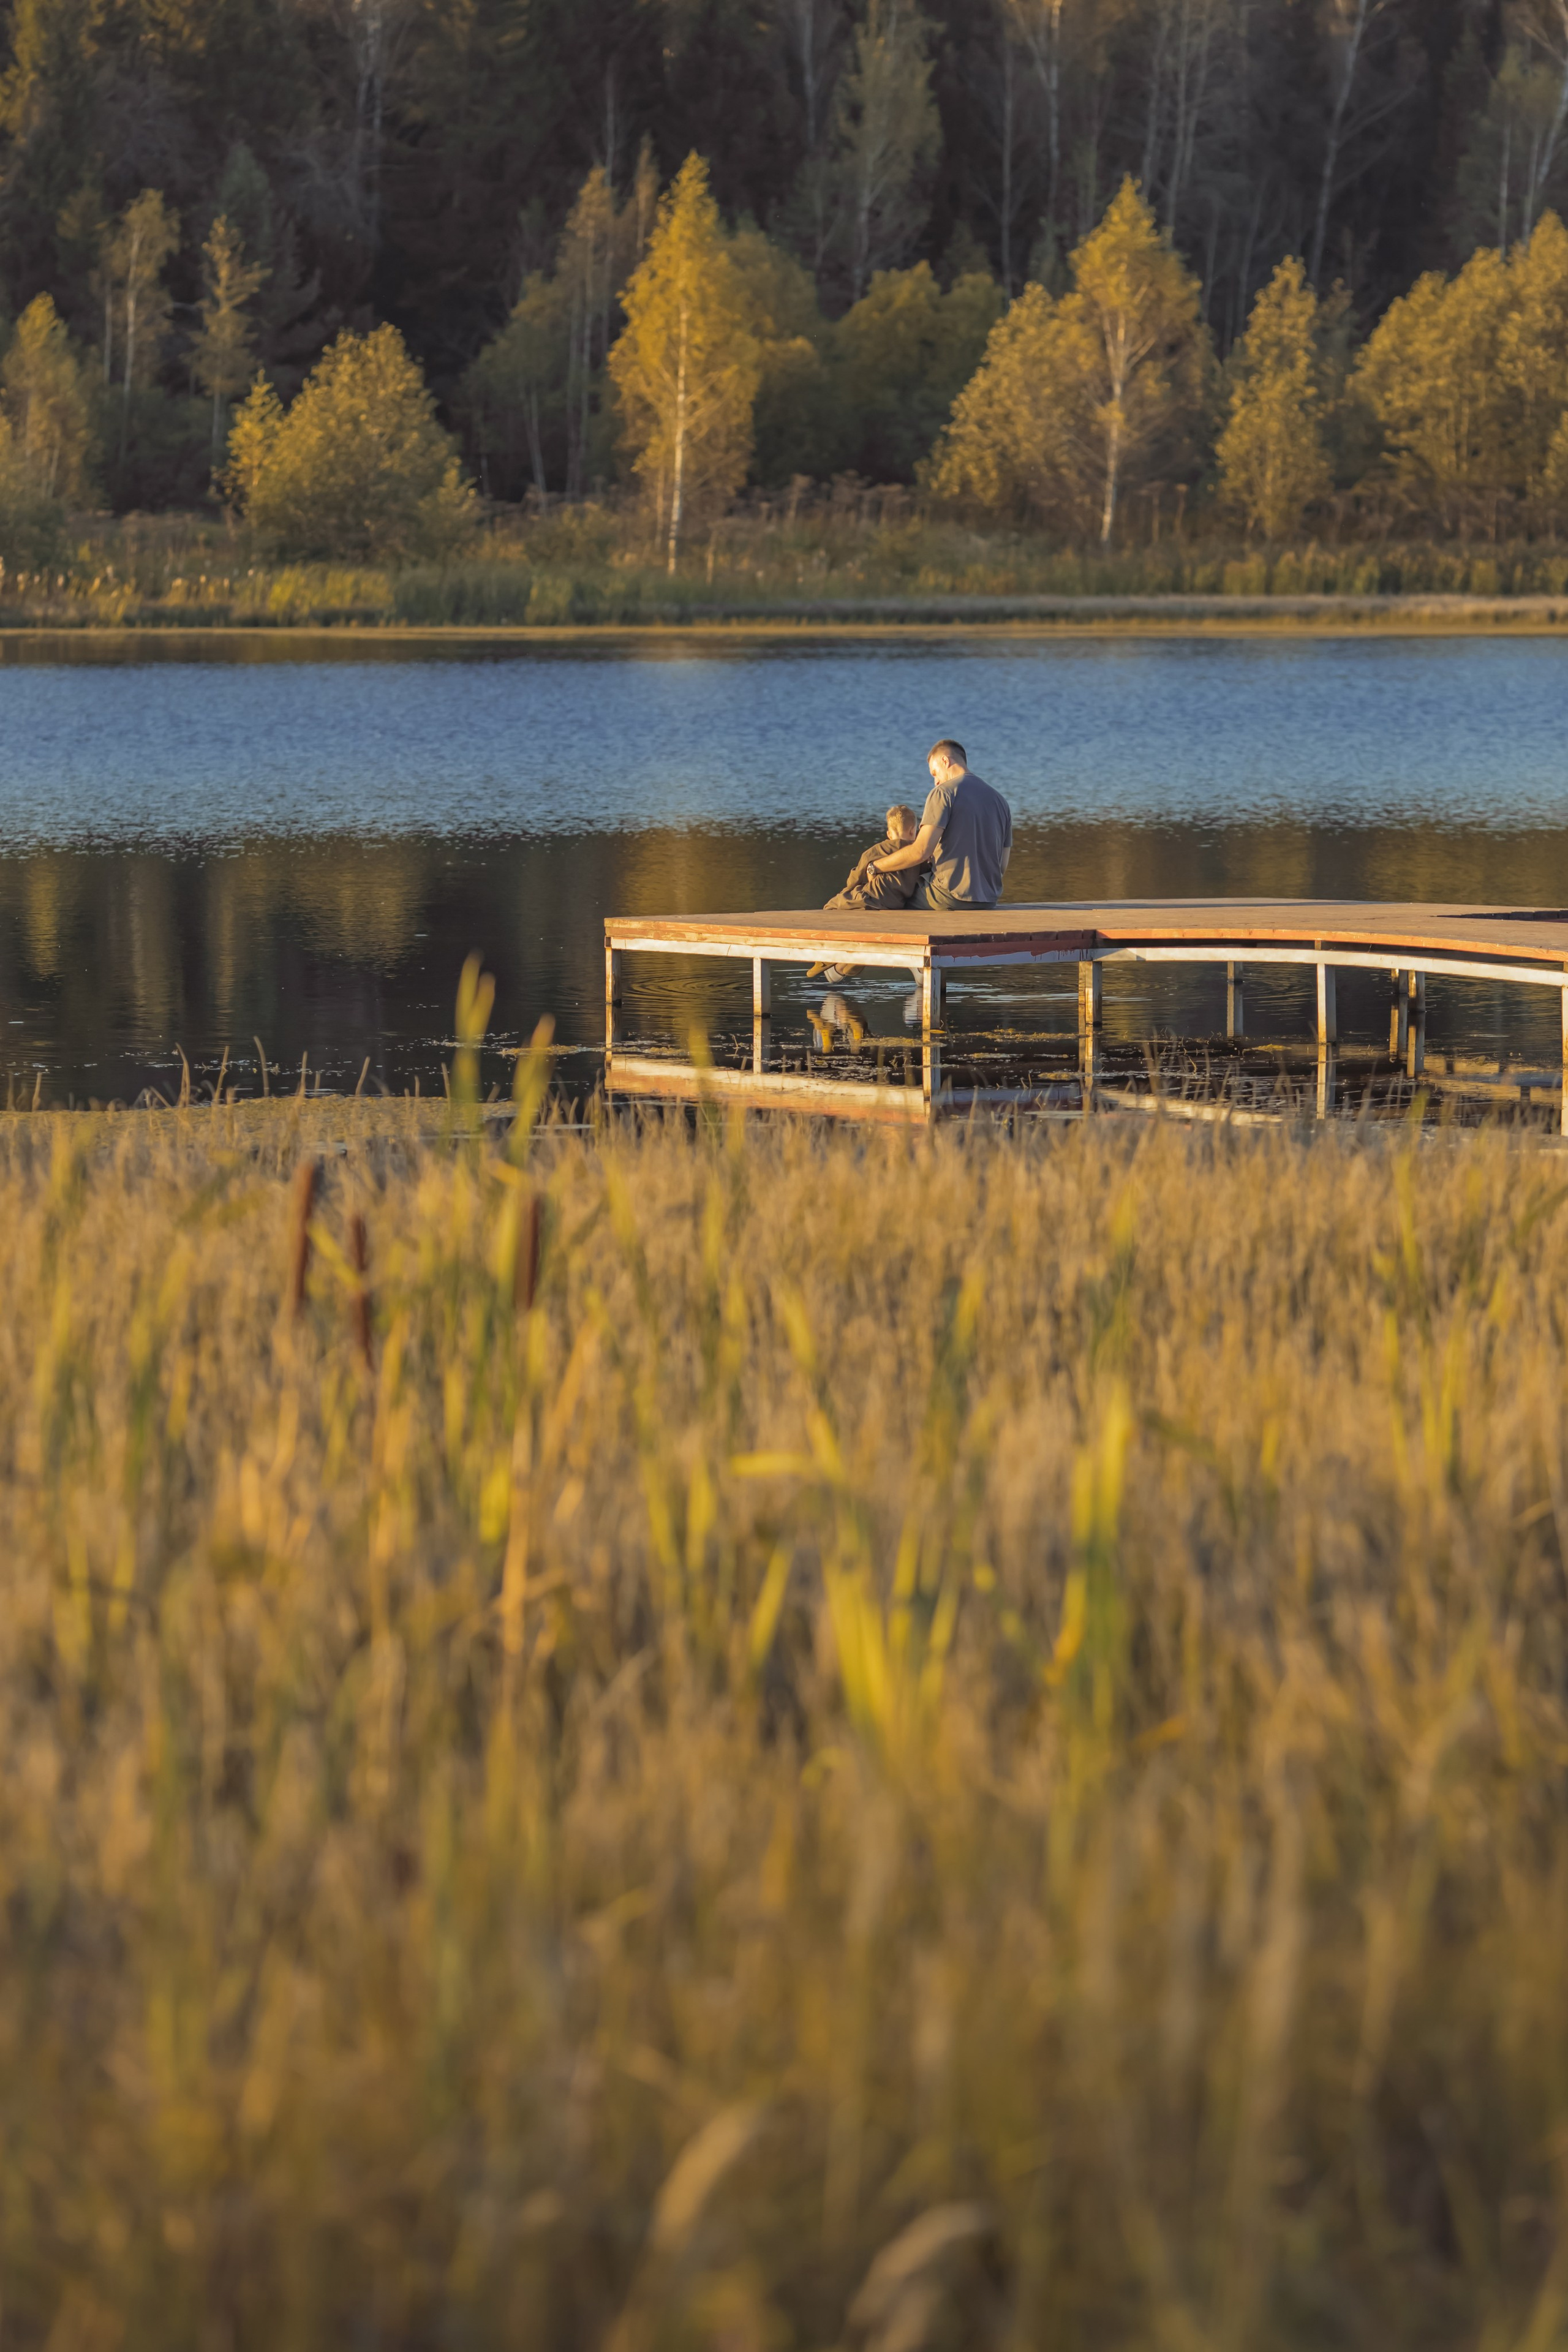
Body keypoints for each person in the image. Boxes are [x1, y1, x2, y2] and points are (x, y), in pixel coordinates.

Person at [868, 739, 1012, 910]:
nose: (935, 781)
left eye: (935, 773)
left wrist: (875, 867)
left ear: (945, 760)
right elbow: (1001, 866)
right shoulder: (1000, 801)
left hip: (948, 896)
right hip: (989, 900)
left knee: (890, 894)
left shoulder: (943, 793)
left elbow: (921, 852)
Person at [807, 804, 923, 981]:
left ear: (889, 834)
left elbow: (855, 877)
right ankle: (851, 959)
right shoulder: (917, 856)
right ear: (913, 831)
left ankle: (825, 957)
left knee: (830, 908)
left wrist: (847, 892)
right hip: (896, 904)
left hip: (869, 898)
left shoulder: (877, 850)